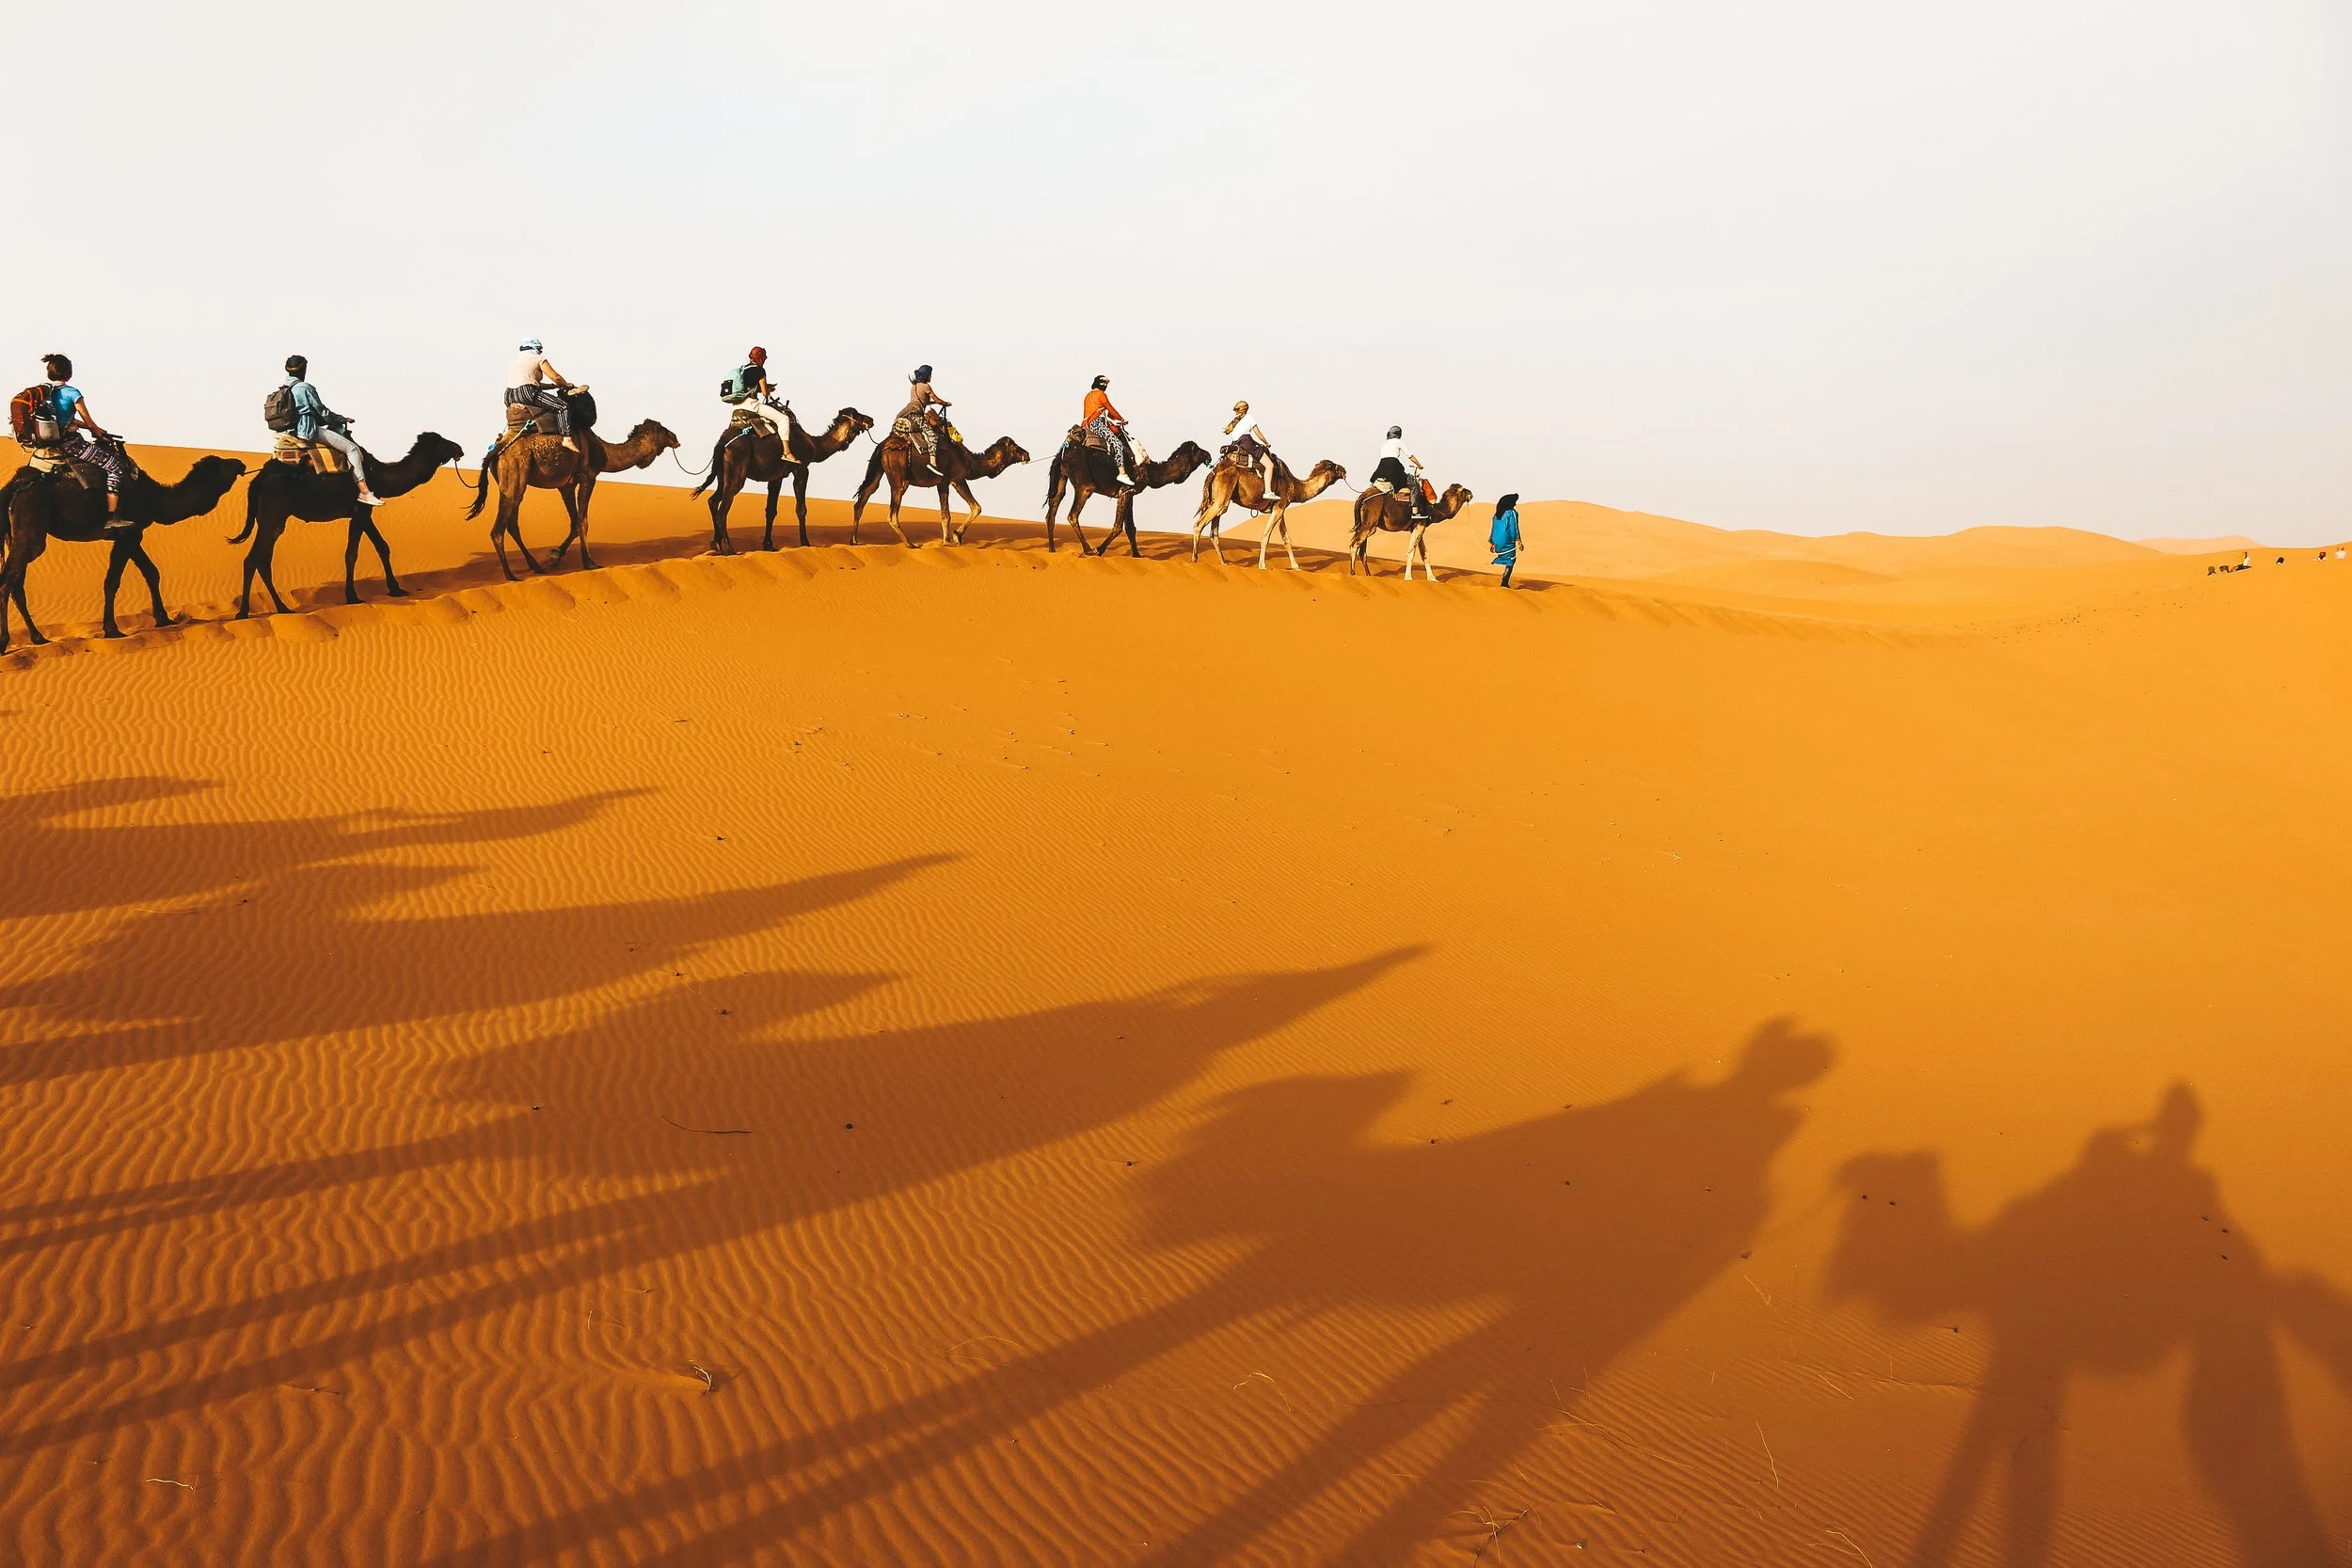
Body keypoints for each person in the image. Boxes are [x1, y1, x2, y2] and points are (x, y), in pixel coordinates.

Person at [31, 355, 135, 528]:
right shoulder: (72, 393)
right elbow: (88, 420)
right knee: (114, 466)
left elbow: (63, 420)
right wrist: (97, 431)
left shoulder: (44, 393)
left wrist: (90, 428)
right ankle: (111, 517)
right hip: (71, 444)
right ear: (68, 374)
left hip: (50, 442)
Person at [281, 356, 381, 506]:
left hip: (289, 431)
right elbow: (323, 412)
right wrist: (341, 419)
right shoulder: (305, 388)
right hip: (307, 431)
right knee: (352, 449)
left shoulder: (284, 389)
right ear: (304, 370)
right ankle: (364, 492)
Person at [506, 338, 580, 453]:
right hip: (526, 393)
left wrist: (553, 386)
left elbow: (532, 383)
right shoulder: (538, 358)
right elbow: (556, 377)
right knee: (563, 407)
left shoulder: (517, 361)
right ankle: (566, 438)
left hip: (509, 395)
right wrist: (566, 385)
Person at [724, 345, 791, 451]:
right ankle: (787, 452)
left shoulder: (743, 370)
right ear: (760, 358)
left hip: (736, 407)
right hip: (751, 406)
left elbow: (748, 388)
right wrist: (768, 389)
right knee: (783, 419)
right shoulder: (760, 371)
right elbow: (765, 394)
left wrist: (761, 388)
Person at [1082, 374, 1137, 488]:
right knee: (1117, 444)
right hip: (1096, 423)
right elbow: (1110, 409)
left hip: (1087, 424)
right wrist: (1122, 419)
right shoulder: (1101, 395)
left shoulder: (1088, 396)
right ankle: (1122, 473)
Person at [1372, 425, 1429, 522]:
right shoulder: (1398, 442)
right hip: (1394, 468)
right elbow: (1409, 455)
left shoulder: (1383, 444)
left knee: (1375, 483)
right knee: (1414, 484)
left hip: (1381, 468)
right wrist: (1419, 465)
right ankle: (1415, 512)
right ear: (1399, 434)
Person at [898, 364, 950, 468]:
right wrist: (944, 403)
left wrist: (934, 403)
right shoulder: (926, 386)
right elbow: (936, 398)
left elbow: (921, 401)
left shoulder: (914, 386)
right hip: (916, 415)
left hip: (908, 413)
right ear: (926, 375)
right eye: (930, 375)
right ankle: (933, 462)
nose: (931, 377)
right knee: (932, 435)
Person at [1222, 400, 1278, 497]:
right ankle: (1268, 491)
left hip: (1235, 444)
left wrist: (1258, 444)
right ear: (1246, 409)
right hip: (1246, 442)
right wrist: (1266, 442)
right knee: (1269, 465)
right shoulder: (1249, 417)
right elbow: (1258, 434)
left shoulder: (1235, 422)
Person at [1488, 491, 1523, 588]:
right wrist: (1519, 541)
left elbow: (1494, 528)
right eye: (1514, 502)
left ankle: (1505, 580)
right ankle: (1504, 582)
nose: (1515, 504)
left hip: (1497, 542)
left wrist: (1492, 543)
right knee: (1511, 560)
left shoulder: (1497, 515)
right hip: (1507, 540)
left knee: (1507, 558)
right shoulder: (1512, 513)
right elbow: (1514, 528)